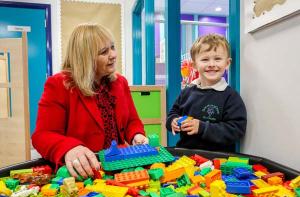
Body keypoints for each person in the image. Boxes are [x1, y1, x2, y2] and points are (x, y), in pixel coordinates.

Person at [32, 23, 148, 179]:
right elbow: (42, 135)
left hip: (119, 166)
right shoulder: (59, 85)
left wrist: (136, 135)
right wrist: (69, 148)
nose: (113, 55)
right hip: (84, 173)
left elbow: (131, 121)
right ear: (84, 58)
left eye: (112, 47)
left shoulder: (120, 82)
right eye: (104, 52)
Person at [166, 33, 247, 152]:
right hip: (186, 154)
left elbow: (236, 129)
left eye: (218, 59)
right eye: (205, 59)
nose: (211, 64)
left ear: (227, 63)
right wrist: (172, 121)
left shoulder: (230, 96)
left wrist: (202, 127)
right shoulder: (186, 92)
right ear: (194, 65)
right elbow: (173, 113)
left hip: (217, 159)